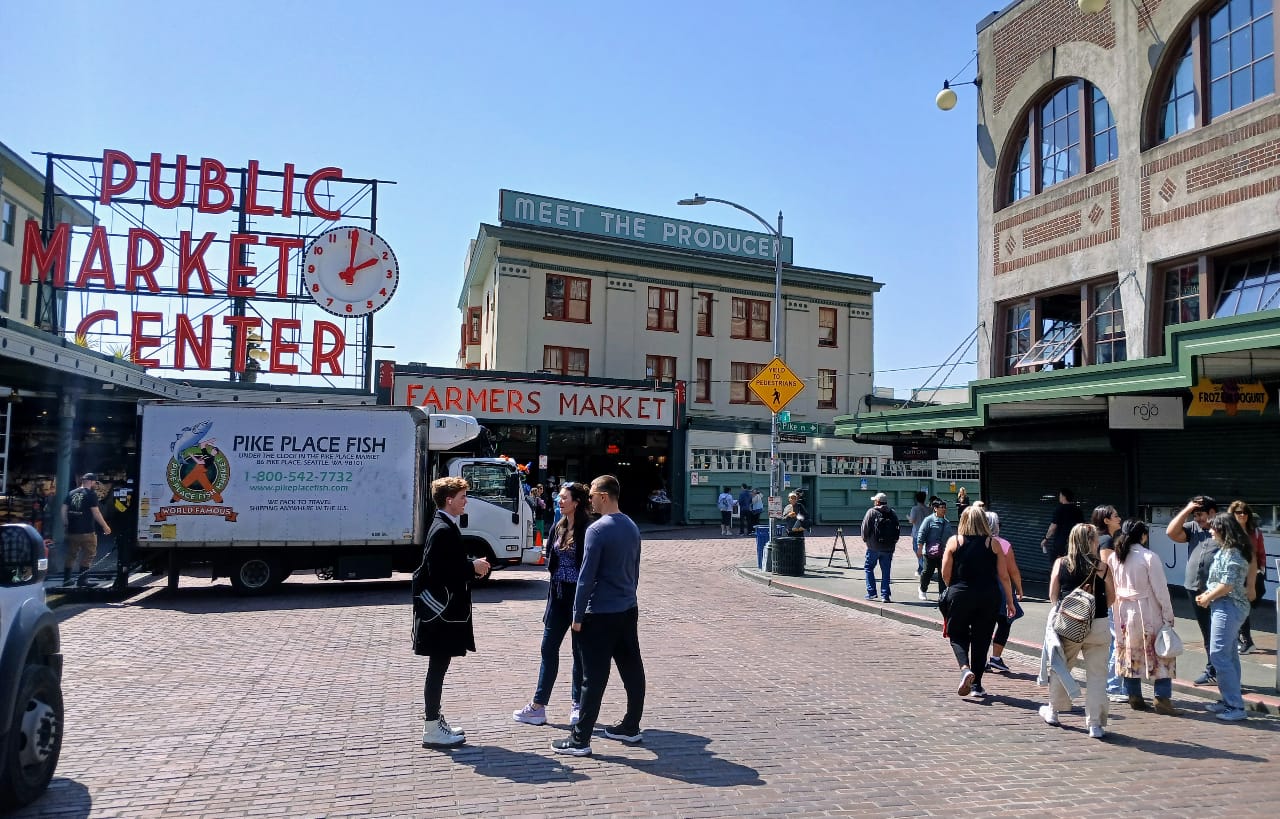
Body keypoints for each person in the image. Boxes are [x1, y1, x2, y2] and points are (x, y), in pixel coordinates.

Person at [553, 475, 645, 756]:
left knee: (592, 677)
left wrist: (577, 614)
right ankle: (631, 726)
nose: (589, 498)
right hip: (627, 608)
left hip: (600, 613)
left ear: (604, 496)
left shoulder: (597, 530)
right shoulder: (631, 526)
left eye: (592, 494)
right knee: (632, 668)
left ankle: (580, 739)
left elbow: (586, 577)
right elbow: (635, 569)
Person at [413, 477, 491, 748]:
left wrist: (470, 566)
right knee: (437, 668)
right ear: (449, 500)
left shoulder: (442, 524)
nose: (465, 501)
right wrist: (473, 568)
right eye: (462, 497)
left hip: (441, 614)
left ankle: (434, 722)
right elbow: (440, 572)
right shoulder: (443, 529)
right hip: (441, 615)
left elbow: (443, 565)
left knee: (438, 667)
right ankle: (432, 727)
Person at [514, 482, 591, 728]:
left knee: (579, 653)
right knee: (548, 649)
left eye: (564, 497)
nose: (559, 500)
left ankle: (577, 704)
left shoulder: (588, 528)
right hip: (557, 595)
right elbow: (552, 560)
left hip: (578, 597)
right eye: (559, 497)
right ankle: (538, 706)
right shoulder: (559, 526)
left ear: (576, 501)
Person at [1040, 523, 1115, 739]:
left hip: (1069, 625)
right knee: (1097, 676)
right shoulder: (1102, 567)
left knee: (1061, 667)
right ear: (1093, 541)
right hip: (1099, 623)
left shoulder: (1061, 563)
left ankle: (1054, 711)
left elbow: (1053, 595)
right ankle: (1095, 725)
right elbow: (1112, 597)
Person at [1107, 519, 1179, 716]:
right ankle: (1162, 698)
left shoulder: (1115, 557)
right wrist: (1168, 614)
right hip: (1147, 611)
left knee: (1130, 654)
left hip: (1123, 610)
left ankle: (1134, 696)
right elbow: (1161, 590)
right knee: (1161, 652)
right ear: (1143, 536)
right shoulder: (1149, 557)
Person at [941, 506, 1015, 698]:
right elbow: (1004, 576)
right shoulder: (993, 544)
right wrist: (1010, 600)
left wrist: (954, 588)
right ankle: (977, 686)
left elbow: (945, 574)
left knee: (957, 634)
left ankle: (965, 669)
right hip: (988, 595)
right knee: (982, 639)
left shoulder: (954, 541)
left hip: (961, 594)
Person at [1195, 513, 1254, 721]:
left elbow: (1227, 585)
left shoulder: (1233, 553)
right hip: (1223, 604)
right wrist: (1209, 595)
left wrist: (1207, 597)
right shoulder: (1227, 551)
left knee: (1219, 655)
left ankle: (1235, 706)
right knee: (1228, 655)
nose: (1210, 531)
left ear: (1223, 530)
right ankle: (1230, 699)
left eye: (1214, 528)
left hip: (1228, 606)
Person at [1166, 495, 1220, 685]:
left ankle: (1220, 671)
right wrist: (1187, 509)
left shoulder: (1223, 530)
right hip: (1194, 589)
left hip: (1216, 591)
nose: (1197, 519)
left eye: (1200, 514)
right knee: (1207, 633)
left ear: (1213, 512)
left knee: (1219, 634)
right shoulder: (1193, 528)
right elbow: (1171, 532)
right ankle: (1212, 669)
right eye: (1195, 515)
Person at [1092, 505, 1128, 704]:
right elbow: (1107, 570)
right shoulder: (1106, 540)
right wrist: (1114, 594)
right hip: (1108, 598)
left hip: (1102, 597)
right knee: (1117, 642)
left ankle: (1109, 684)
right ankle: (1113, 686)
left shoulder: (1098, 538)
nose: (1119, 518)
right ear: (1106, 520)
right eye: (1115, 516)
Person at [983, 508, 1023, 674]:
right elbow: (1012, 570)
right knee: (1005, 621)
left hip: (982, 587)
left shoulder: (977, 542)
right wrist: (1019, 589)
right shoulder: (1004, 544)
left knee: (983, 624)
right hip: (1001, 588)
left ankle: (981, 658)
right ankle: (996, 658)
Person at [1229, 500, 1267, 655]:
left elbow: (1261, 553)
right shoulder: (1229, 531)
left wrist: (1261, 570)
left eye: (1245, 512)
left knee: (1242, 608)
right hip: (1234, 575)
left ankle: (1246, 641)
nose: (1243, 515)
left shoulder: (1255, 531)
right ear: (1233, 514)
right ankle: (1243, 639)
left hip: (1250, 575)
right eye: (1239, 512)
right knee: (1238, 608)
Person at [62, 472, 111, 587]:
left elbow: (63, 509)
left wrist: (66, 523)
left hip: (72, 530)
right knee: (89, 554)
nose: (95, 484)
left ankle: (66, 579)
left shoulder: (71, 493)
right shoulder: (91, 494)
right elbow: (96, 513)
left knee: (71, 554)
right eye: (95, 482)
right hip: (87, 531)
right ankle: (82, 580)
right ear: (91, 482)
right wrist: (105, 526)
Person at [859, 492, 900, 602]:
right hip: (889, 547)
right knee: (886, 571)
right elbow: (897, 529)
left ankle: (871, 592)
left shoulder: (871, 512)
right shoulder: (892, 513)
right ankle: (885, 595)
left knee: (868, 568)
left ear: (877, 502)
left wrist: (866, 540)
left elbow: (864, 529)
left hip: (874, 547)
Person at [916, 498, 951, 601]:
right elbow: (921, 534)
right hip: (929, 552)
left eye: (945, 508)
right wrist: (919, 547)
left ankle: (942, 594)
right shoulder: (929, 520)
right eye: (941, 507)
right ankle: (922, 589)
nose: (944, 509)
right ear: (935, 508)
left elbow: (949, 537)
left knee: (942, 573)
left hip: (943, 553)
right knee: (927, 572)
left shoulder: (947, 522)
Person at [1040, 488, 1083, 559]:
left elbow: (1053, 527)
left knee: (1057, 564)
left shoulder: (1059, 509)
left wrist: (1046, 538)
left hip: (1061, 543)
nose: (1059, 497)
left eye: (1060, 495)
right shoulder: (1078, 510)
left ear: (1064, 496)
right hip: (1075, 542)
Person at [908, 491, 929, 577]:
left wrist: (908, 518)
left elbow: (912, 520)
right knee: (924, 551)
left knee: (917, 551)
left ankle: (924, 568)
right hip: (927, 533)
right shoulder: (928, 509)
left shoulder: (915, 509)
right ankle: (921, 567)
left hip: (917, 533)